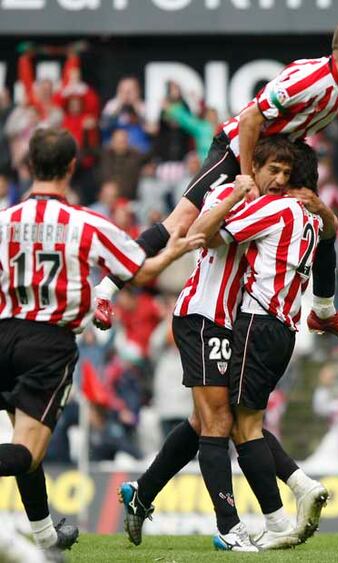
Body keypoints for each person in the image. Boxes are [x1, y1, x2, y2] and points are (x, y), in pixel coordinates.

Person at [93, 18, 338, 345]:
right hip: (235, 151)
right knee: (179, 223)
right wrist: (249, 180)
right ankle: (104, 290)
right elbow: (249, 120)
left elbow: (289, 135)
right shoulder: (311, 80)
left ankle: (323, 311)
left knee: (324, 222)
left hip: (273, 159)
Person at [116, 136, 331, 552]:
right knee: (219, 422)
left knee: (204, 422)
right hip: (202, 314)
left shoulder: (268, 208)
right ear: (254, 164)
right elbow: (198, 233)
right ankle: (231, 528)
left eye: (287, 174)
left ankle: (141, 493)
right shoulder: (226, 191)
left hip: (228, 322)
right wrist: (234, 194)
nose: (280, 180)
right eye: (274, 170)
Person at [0, 128, 204, 556]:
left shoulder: (4, 220)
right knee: (27, 453)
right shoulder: (84, 223)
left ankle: (43, 535)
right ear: (73, 168)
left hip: (3, 332)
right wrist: (173, 250)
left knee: (23, 435)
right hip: (48, 344)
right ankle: (41, 535)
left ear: (27, 166)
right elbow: (140, 271)